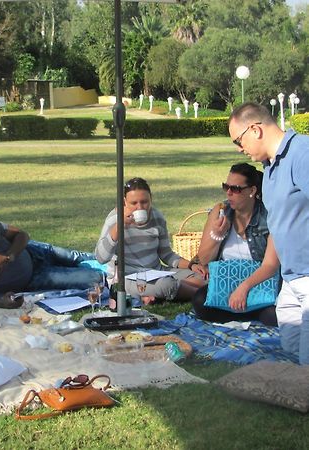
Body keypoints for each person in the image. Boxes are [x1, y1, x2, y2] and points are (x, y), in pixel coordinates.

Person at [228, 102, 309, 364]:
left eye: (238, 140)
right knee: (292, 351)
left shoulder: (302, 153)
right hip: (290, 280)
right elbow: (279, 225)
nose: (240, 148)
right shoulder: (269, 168)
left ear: (255, 129)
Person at [0, 205, 101, 308]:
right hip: (32, 279)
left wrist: (9, 256)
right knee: (94, 278)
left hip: (33, 251)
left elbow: (22, 234)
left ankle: (114, 260)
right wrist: (0, 303)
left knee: (81, 256)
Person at [192, 163, 279, 326]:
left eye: (236, 189)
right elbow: (202, 260)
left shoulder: (269, 217)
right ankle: (246, 316)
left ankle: (240, 315)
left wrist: (244, 288)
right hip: (227, 284)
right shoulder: (220, 212)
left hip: (259, 285)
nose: (229, 192)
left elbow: (270, 266)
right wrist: (217, 236)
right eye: (226, 186)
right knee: (199, 301)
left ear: (252, 191)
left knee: (273, 316)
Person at [95, 177, 206, 303]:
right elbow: (100, 258)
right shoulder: (114, 220)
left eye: (144, 202)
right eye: (134, 203)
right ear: (124, 202)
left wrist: (191, 265)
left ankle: (157, 294)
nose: (140, 207)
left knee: (201, 277)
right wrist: (118, 228)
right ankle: (204, 296)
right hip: (127, 278)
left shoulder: (157, 217)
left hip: (156, 271)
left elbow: (166, 254)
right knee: (166, 285)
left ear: (151, 199)